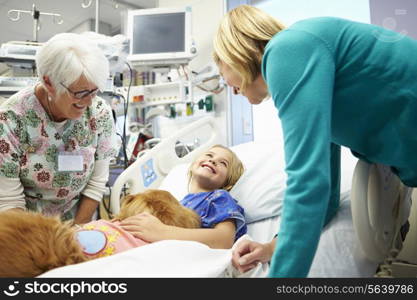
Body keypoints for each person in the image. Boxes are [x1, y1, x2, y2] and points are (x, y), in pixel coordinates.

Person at [213, 5, 417, 277]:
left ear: (234, 53)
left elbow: (309, 183)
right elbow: (327, 196)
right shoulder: (305, 60)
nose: (226, 84)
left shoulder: (288, 50)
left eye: (220, 68)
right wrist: (274, 246)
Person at [0, 33, 118, 224]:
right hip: (26, 228)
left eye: (94, 91)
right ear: (49, 83)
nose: (88, 102)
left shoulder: (99, 114)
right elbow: (9, 201)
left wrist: (76, 233)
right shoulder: (10, 120)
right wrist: (42, 244)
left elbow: (96, 185)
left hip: (79, 223)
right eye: (80, 93)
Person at [120, 144, 247, 249]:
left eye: (223, 163)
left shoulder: (220, 198)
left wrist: (161, 231)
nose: (213, 160)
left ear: (228, 183)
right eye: (209, 155)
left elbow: (223, 240)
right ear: (192, 165)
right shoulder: (179, 203)